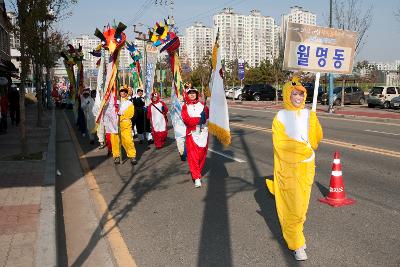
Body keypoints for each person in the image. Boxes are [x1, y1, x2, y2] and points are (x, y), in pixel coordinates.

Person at [266, 77, 323, 261]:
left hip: (307, 168)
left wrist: (314, 122)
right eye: (294, 94)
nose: (298, 97)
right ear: (287, 95)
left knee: (302, 207)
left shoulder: (308, 114)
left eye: (301, 93)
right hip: (288, 170)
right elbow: (282, 146)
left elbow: (314, 142)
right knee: (292, 207)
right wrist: (303, 151)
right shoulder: (280, 117)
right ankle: (295, 243)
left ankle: (297, 233)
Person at [181, 86, 209, 188]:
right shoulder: (185, 106)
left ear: (197, 94)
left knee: (201, 155)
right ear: (187, 95)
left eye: (194, 93)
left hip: (203, 134)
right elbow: (186, 120)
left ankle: (197, 171)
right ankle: (197, 177)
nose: (192, 95)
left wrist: (204, 117)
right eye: (190, 93)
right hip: (191, 133)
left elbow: (207, 117)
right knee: (193, 156)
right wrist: (198, 120)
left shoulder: (203, 105)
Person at [110, 87, 137, 165]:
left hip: (125, 124)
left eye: (125, 91)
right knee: (115, 140)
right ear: (119, 92)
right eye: (121, 91)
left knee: (128, 140)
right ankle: (116, 156)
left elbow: (130, 114)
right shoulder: (114, 102)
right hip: (115, 124)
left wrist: (121, 115)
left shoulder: (129, 103)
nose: (123, 93)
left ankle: (132, 156)